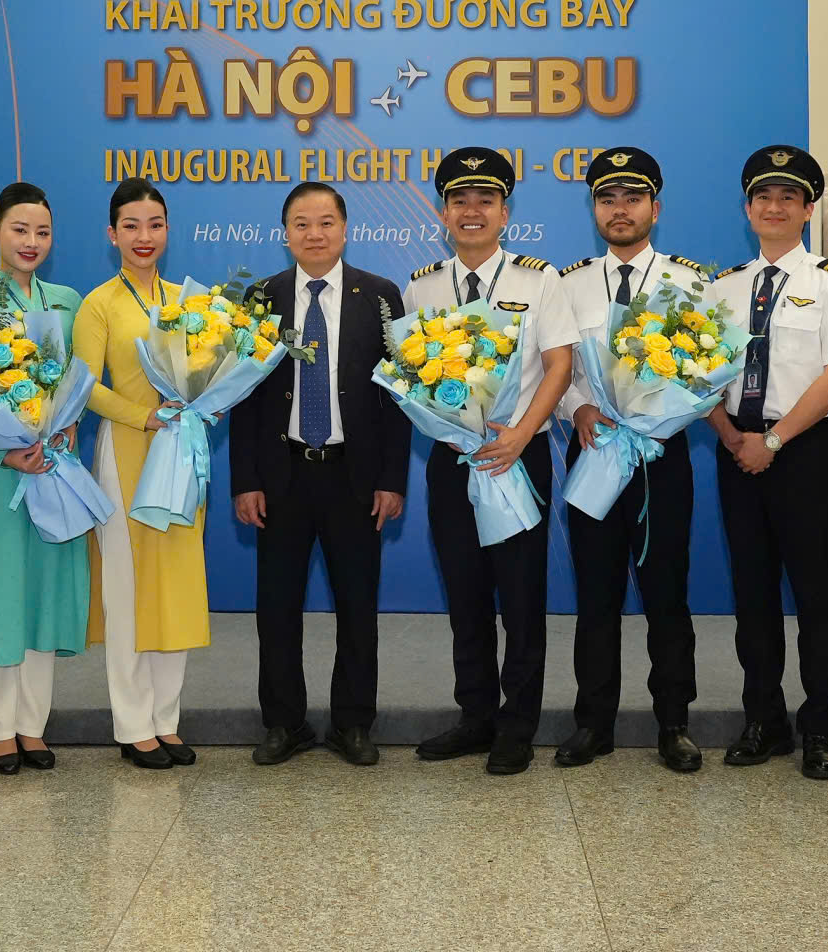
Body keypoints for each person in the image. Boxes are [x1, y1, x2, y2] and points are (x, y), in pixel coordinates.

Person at [404, 146, 576, 777]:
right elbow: (409, 376)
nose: (471, 212)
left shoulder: (540, 280)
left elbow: (560, 365)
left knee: (521, 595)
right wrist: (446, 429)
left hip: (517, 458)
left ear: (506, 211)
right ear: (442, 212)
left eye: (484, 200)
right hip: (451, 461)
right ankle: (475, 715)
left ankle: (517, 724)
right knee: (467, 595)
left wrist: (522, 436)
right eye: (459, 201)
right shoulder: (421, 285)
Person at [702, 145, 828, 781]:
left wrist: (772, 443)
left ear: (806, 209)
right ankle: (763, 719)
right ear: (748, 209)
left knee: (816, 593)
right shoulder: (720, 287)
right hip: (736, 447)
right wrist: (731, 435)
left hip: (804, 451)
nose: (775, 207)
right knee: (752, 593)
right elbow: (699, 375)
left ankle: (821, 725)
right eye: (763, 197)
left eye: (788, 198)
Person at [229, 182, 409, 768]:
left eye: (326, 222)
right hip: (281, 477)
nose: (314, 233)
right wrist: (245, 480)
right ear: (285, 233)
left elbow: (397, 398)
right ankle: (284, 722)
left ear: (345, 228)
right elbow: (243, 397)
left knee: (358, 605)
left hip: (353, 477)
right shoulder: (261, 297)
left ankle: (353, 723)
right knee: (275, 607)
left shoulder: (379, 297)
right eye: (302, 223)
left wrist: (393, 479)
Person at [552, 146, 703, 773]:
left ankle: (674, 723)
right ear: (594, 209)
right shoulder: (568, 283)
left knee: (667, 592)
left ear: (655, 208)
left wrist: (660, 416)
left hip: (662, 458)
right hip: (594, 454)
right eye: (608, 199)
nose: (620, 210)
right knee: (597, 594)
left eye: (632, 198)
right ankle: (594, 723)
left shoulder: (691, 281)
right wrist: (578, 409)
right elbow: (551, 370)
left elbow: (706, 371)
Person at [0, 183, 90, 776]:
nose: (31, 242)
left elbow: (77, 384)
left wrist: (64, 429)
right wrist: (9, 452)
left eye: (42, 232)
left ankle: (33, 724)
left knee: (43, 593)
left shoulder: (67, 301)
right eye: (19, 230)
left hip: (54, 463)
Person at [75, 179, 210, 768]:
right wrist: (143, 416)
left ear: (168, 229)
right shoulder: (99, 302)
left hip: (181, 452)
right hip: (126, 452)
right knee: (128, 588)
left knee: (174, 583)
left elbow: (209, 368)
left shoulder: (190, 302)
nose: (144, 236)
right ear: (112, 234)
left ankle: (167, 719)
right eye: (131, 225)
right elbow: (83, 385)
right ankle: (132, 725)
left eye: (154, 223)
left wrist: (206, 401)